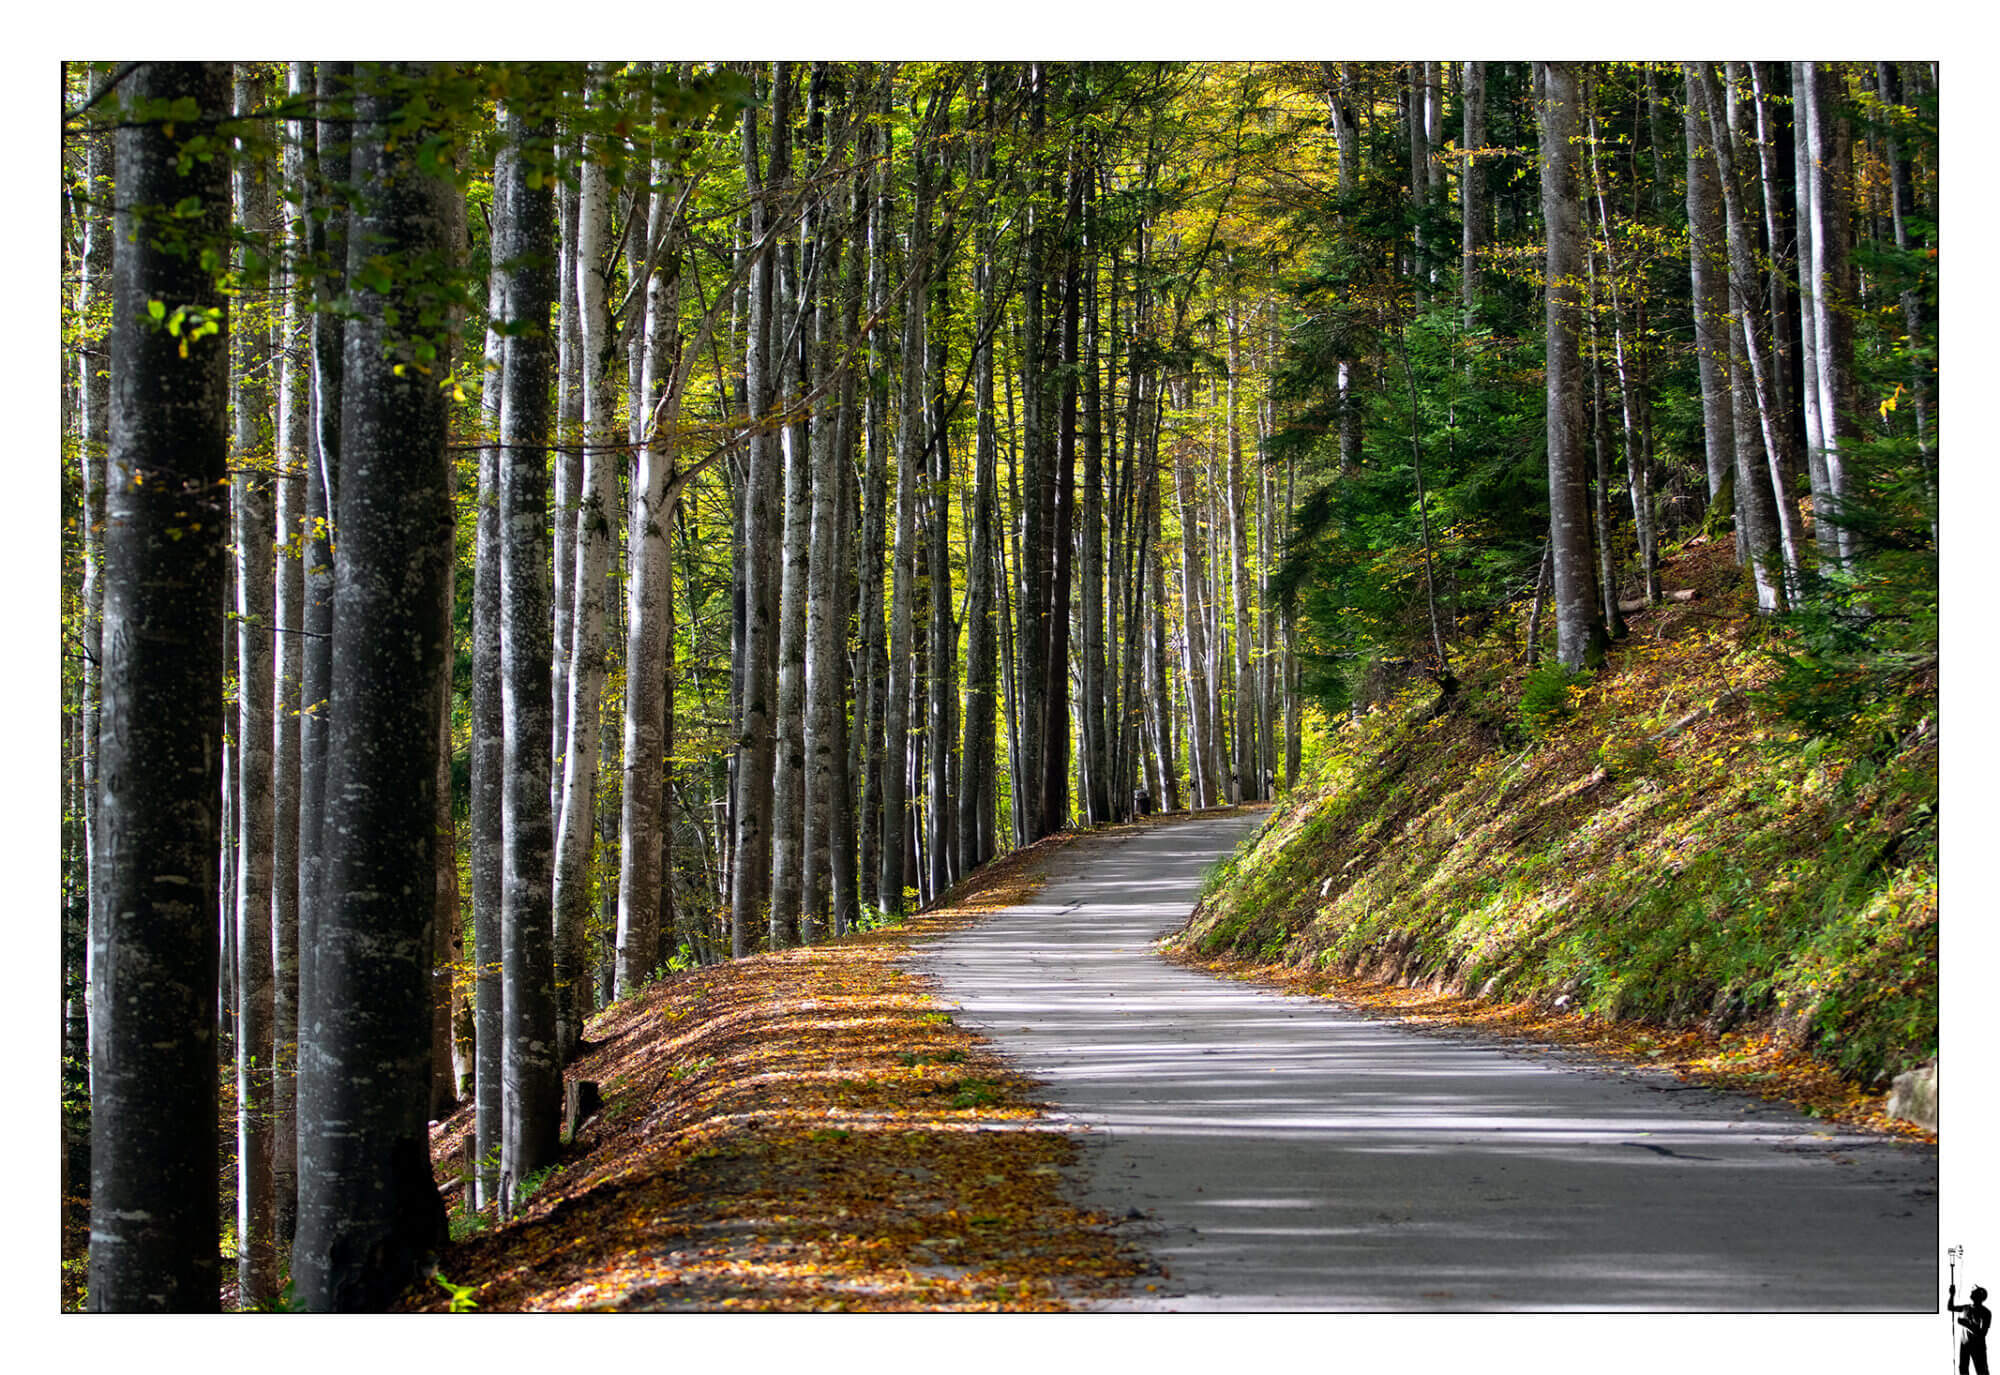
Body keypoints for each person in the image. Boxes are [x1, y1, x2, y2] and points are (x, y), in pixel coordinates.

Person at [1950, 1283, 1992, 1375]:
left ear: (1979, 1296)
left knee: (1982, 1371)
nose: (1972, 1291)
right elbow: (1950, 1307)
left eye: (1974, 1291)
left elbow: (1982, 1334)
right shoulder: (1966, 1307)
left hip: (1978, 1347)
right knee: (1963, 1369)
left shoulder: (1986, 1313)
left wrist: (1966, 1324)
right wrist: (1952, 1294)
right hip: (1964, 1344)